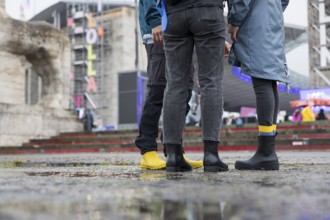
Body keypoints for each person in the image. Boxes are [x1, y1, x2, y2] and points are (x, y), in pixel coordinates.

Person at [161, 0, 230, 172]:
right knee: (211, 81)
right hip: (209, 11)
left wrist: (155, 18)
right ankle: (211, 156)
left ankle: (174, 156)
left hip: (173, 14)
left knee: (175, 83)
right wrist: (235, 19)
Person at [136, 0, 203, 170]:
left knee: (184, 92)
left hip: (182, 33)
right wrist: (155, 21)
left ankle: (175, 150)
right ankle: (148, 151)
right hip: (158, 34)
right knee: (157, 91)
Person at [227, 0, 290, 170]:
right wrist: (272, 10)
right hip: (271, 18)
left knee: (262, 81)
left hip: (256, 20)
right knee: (269, 81)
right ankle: (268, 149)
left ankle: (266, 152)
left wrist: (234, 21)